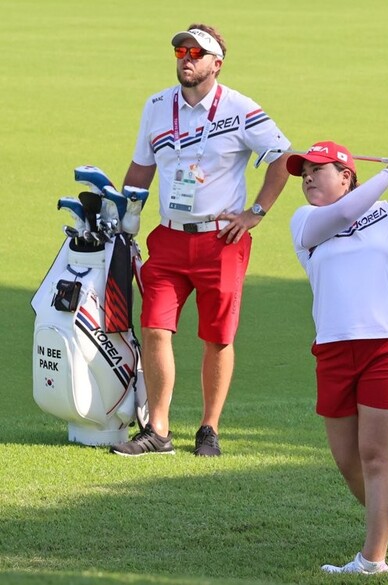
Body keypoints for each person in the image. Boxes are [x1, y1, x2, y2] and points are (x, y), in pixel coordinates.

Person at [110, 24, 292, 457]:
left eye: (196, 52)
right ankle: (159, 428)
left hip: (221, 241)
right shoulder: (156, 106)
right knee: (155, 328)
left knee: (217, 338)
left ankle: (209, 428)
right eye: (180, 51)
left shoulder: (240, 108)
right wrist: (121, 216)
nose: (186, 58)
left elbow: (284, 159)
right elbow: (140, 170)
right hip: (169, 238)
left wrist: (256, 214)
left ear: (217, 63)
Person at [284, 142, 388, 573]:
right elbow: (343, 215)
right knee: (349, 464)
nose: (306, 176)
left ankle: (372, 560)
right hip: (334, 350)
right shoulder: (305, 221)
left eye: (317, 169)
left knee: (376, 456)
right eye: (303, 171)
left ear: (346, 175)